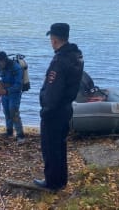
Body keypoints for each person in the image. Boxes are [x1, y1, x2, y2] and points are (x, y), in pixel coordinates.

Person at [34, 23, 84, 191]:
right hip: (66, 108)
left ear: (54, 40)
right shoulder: (76, 56)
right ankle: (61, 180)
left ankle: (52, 182)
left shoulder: (60, 60)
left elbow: (53, 89)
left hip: (54, 111)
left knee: (50, 147)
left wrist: (46, 109)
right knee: (60, 146)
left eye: (51, 39)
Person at [0, 51, 25, 143]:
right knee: (7, 112)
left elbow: (19, 85)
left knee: (14, 112)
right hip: (4, 92)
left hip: (14, 93)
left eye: (0, 63)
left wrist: (6, 90)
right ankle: (9, 132)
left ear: (5, 60)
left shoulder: (16, 68)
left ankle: (20, 135)